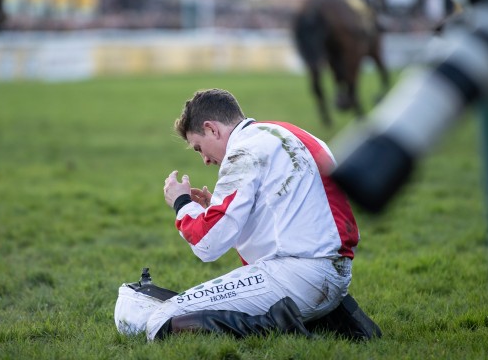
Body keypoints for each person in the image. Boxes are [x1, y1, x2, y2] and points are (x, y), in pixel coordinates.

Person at [145, 88, 381, 341]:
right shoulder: (286, 132)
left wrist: (181, 203)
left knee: (160, 321)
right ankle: (333, 317)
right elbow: (277, 219)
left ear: (212, 128)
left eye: (198, 147)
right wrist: (215, 207)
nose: (204, 159)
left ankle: (286, 324)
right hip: (335, 272)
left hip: (300, 276)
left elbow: (208, 244)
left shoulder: (242, 151)